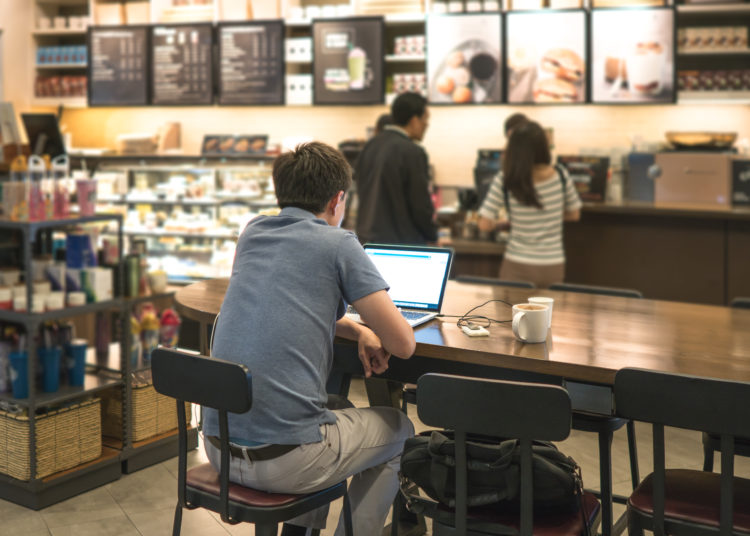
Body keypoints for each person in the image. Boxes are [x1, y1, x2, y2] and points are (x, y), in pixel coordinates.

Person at [203, 142, 416, 536]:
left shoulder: (252, 233)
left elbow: (284, 306)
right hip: (287, 462)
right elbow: (403, 344)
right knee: (400, 430)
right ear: (338, 199)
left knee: (334, 405)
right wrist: (376, 327)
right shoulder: (339, 243)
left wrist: (357, 329)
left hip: (219, 450)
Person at [478, 121, 582, 288]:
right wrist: (550, 216)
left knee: (509, 314)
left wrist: (503, 223)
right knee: (548, 314)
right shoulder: (561, 175)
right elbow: (574, 214)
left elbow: (484, 224)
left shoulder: (506, 179)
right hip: (552, 265)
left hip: (516, 264)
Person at [355, 92, 437, 245]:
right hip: (400, 245)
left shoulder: (370, 146)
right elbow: (420, 205)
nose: (426, 125)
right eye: (425, 119)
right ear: (414, 121)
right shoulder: (413, 152)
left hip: (366, 240)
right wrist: (432, 235)